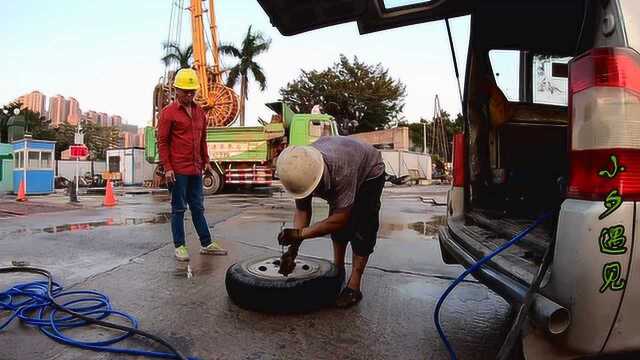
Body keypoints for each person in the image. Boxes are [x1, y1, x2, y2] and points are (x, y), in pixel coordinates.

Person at [276, 136, 385, 308]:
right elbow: (303, 210)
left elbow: (341, 219)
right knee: (338, 226)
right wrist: (293, 250)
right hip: (341, 162)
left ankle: (354, 287)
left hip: (369, 173)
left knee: (363, 228)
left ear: (320, 177)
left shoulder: (342, 170)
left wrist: (298, 234)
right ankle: (338, 270)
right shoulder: (301, 167)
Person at [157, 68, 227, 261]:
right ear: (176, 90)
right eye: (185, 91)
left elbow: (202, 139)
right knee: (178, 208)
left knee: (198, 207)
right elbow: (162, 142)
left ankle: (206, 243)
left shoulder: (200, 113)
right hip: (177, 170)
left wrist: (206, 161)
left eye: (192, 91)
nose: (189, 94)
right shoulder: (168, 113)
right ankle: (179, 246)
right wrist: (168, 167)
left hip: (196, 168)